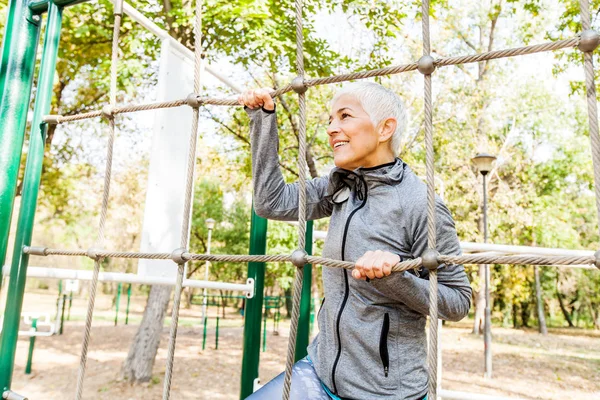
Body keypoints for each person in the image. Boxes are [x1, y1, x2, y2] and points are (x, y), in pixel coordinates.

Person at [239, 81, 472, 400]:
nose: (332, 128)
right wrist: (263, 119)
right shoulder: (338, 185)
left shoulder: (419, 204)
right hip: (319, 373)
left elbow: (458, 301)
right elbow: (271, 202)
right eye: (330, 120)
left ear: (385, 128)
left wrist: (395, 279)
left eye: (345, 116)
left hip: (385, 393)